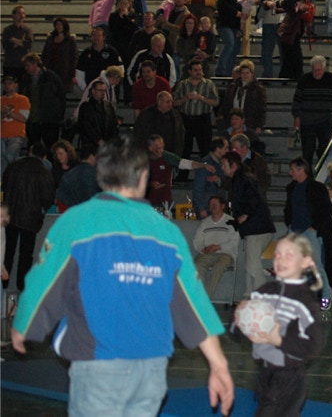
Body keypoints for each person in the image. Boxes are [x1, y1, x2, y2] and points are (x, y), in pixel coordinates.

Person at [11, 138, 234, 416]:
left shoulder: (77, 222)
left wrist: (26, 322)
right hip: (151, 369)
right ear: (144, 176)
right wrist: (218, 364)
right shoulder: (165, 232)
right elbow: (192, 301)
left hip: (97, 363)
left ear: (100, 175)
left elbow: (45, 282)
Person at [236, 233, 323, 416]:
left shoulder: (305, 302)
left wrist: (278, 340)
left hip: (289, 378)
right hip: (265, 372)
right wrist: (239, 320)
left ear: (305, 261)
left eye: (289, 255)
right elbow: (238, 329)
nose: (281, 260)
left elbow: (313, 346)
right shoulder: (263, 293)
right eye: (277, 254)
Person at [284, 157, 332, 311]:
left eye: (293, 170)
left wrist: (315, 225)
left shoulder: (317, 188)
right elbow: (289, 208)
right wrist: (289, 222)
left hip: (309, 231)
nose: (290, 173)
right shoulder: (291, 188)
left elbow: (327, 209)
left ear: (301, 170)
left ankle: (327, 293)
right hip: (295, 230)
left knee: (316, 265)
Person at [221, 151, 275, 297]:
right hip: (258, 227)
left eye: (224, 165)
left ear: (233, 165)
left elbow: (254, 199)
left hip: (257, 228)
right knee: (251, 263)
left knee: (252, 265)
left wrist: (245, 215)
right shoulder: (243, 178)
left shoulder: (242, 179)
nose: (222, 168)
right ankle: (250, 294)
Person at [1, 152, 54, 291]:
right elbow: (48, 197)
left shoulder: (13, 166)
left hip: (10, 215)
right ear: (44, 157)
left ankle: (3, 285)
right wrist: (42, 209)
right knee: (26, 255)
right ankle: (22, 286)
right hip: (31, 218)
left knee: (7, 252)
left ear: (30, 153)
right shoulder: (43, 171)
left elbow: (4, 185)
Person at [291, 55, 332, 167]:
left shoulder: (331, 79)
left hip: (325, 120)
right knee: (307, 152)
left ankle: (321, 172)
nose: (316, 73)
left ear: (324, 68)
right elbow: (297, 100)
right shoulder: (304, 80)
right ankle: (308, 175)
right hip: (307, 122)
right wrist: (296, 116)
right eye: (314, 70)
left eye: (319, 70)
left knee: (324, 150)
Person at [172, 58, 219, 180]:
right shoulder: (183, 85)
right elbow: (173, 103)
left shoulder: (208, 84)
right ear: (190, 71)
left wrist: (202, 98)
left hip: (203, 119)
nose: (198, 72)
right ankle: (182, 175)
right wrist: (185, 98)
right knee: (185, 149)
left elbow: (216, 102)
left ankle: (207, 175)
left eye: (200, 70)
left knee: (205, 149)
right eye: (195, 70)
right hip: (186, 119)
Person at [193, 195, 239, 297]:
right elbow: (197, 241)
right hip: (207, 253)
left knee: (219, 266)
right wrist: (203, 248)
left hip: (224, 254)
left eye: (216, 204)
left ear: (223, 206)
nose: (213, 206)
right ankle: (202, 296)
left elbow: (234, 242)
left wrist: (218, 247)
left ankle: (205, 298)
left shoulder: (231, 221)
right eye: (211, 204)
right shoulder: (205, 222)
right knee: (196, 266)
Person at [19, 53, 66, 151]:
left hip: (49, 119)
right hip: (34, 119)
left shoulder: (50, 77)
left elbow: (61, 96)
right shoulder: (26, 78)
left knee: (51, 146)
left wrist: (58, 115)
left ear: (35, 64)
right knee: (34, 145)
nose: (26, 68)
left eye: (27, 65)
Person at [192, 137, 228, 219]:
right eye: (226, 148)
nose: (227, 150)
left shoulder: (220, 163)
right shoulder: (205, 164)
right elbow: (198, 187)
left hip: (216, 206)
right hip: (207, 207)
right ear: (218, 149)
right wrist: (201, 208)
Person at [77, 79, 119, 150]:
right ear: (93, 91)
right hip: (90, 145)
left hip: (106, 144)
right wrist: (98, 140)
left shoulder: (108, 106)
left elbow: (114, 124)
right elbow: (86, 126)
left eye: (104, 91)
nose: (102, 93)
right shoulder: (85, 107)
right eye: (100, 90)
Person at [1, 75, 30, 176]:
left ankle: (15, 175)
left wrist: (9, 112)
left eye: (10, 83)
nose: (7, 86)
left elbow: (24, 118)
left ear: (16, 85)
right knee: (2, 158)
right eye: (5, 84)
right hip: (1, 134)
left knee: (10, 156)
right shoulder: (1, 100)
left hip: (16, 134)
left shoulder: (23, 99)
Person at [214, 0, 242, 77]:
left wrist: (239, 29)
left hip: (234, 27)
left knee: (235, 49)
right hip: (224, 25)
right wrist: (236, 13)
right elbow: (230, 11)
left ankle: (228, 72)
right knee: (230, 44)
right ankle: (220, 70)